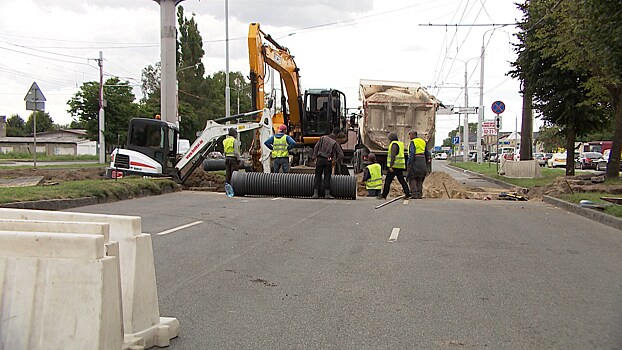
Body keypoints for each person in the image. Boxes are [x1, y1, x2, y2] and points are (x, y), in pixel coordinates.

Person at [312, 127, 344, 199]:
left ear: (332, 131)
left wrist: (314, 157)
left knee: (317, 176)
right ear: (338, 134)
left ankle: (315, 194)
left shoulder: (323, 138)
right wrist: (334, 162)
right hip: (328, 161)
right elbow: (341, 155)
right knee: (327, 177)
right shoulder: (335, 142)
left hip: (319, 159)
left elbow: (316, 147)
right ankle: (327, 194)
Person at [379, 132, 411, 199]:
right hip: (399, 166)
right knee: (401, 180)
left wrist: (391, 166)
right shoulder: (400, 144)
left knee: (388, 181)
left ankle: (384, 195)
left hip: (394, 167)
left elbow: (393, 155)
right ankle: (407, 193)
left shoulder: (394, 145)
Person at [406, 130, 430, 199]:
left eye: (410, 135)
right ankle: (419, 194)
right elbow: (426, 151)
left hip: (415, 160)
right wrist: (428, 158)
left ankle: (414, 193)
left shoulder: (413, 142)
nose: (409, 137)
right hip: (422, 160)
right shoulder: (422, 141)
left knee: (412, 177)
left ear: (412, 135)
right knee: (419, 177)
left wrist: (409, 163)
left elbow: (412, 153)